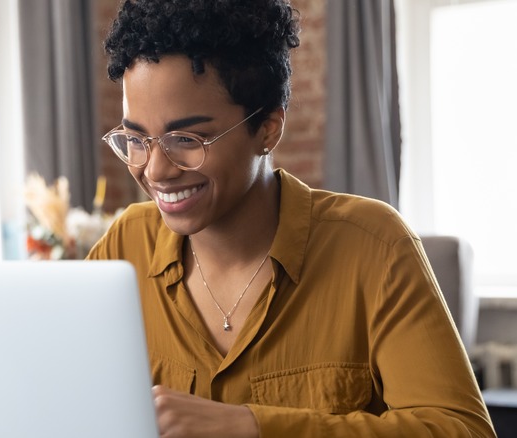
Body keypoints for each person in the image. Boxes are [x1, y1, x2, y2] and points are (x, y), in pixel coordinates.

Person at [87, 0, 496, 436]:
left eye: (186, 139)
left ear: (268, 128)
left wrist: (253, 427)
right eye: (136, 139)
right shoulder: (124, 247)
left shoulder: (376, 247)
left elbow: (461, 429)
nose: (155, 170)